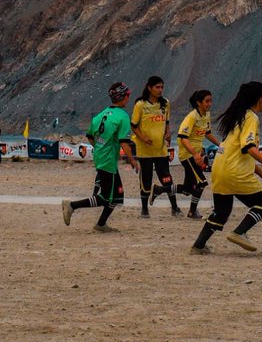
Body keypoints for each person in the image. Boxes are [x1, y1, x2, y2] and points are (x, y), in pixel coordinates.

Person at [191, 81, 262, 254]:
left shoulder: (238, 117)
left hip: (220, 168)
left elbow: (239, 152)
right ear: (260, 99)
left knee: (221, 212)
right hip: (234, 172)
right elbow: (248, 147)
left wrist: (260, 172)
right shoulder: (251, 117)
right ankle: (239, 233)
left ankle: (198, 246)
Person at [61, 82, 137, 232]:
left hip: (101, 158)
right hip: (108, 161)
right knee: (107, 197)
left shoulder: (100, 115)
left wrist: (101, 148)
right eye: (128, 95)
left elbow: (90, 137)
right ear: (121, 96)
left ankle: (101, 224)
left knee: (117, 195)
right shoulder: (122, 116)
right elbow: (124, 142)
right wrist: (133, 160)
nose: (129, 98)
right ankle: (72, 206)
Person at [131, 75, 180, 218]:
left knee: (167, 178)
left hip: (160, 149)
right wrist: (143, 138)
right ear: (149, 88)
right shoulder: (140, 104)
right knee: (146, 179)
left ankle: (175, 207)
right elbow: (133, 126)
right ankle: (144, 209)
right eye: (157, 87)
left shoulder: (165, 103)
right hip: (145, 150)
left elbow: (167, 121)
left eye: (162, 87)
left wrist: (168, 133)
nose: (160, 90)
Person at [176, 89, 220, 219]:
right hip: (188, 155)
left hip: (197, 155)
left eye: (211, 101)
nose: (210, 104)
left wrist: (221, 145)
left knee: (187, 189)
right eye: (207, 101)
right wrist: (195, 154)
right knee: (202, 183)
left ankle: (159, 189)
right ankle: (192, 212)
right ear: (198, 102)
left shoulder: (206, 115)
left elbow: (207, 133)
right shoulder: (192, 117)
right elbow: (183, 137)